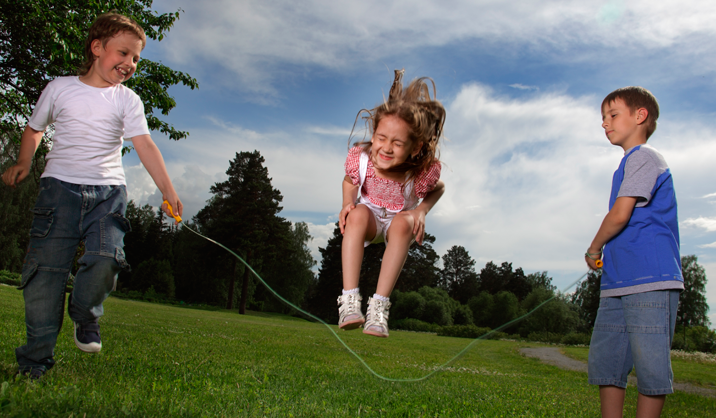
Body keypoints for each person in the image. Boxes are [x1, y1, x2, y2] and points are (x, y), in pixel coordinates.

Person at [1, 13, 183, 379]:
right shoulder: (59, 88)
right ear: (97, 48)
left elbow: (145, 144)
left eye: (136, 58)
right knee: (44, 279)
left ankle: (85, 315)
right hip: (58, 192)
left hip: (108, 194)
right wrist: (24, 160)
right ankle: (35, 363)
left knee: (105, 259)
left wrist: (167, 189)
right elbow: (35, 128)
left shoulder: (128, 101)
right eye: (124, 53)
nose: (130, 64)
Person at [584, 86, 683, 417]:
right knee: (608, 362)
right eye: (603, 118)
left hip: (650, 280)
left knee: (651, 367)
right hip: (618, 281)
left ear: (640, 116)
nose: (605, 124)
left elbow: (620, 214)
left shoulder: (645, 158)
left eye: (612, 115)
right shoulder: (626, 165)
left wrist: (594, 247)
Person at [337, 70, 446, 338]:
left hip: (398, 221)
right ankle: (350, 301)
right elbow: (350, 180)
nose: (386, 148)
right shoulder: (361, 158)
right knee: (358, 214)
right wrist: (347, 203)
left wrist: (421, 210)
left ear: (416, 147)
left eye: (397, 143)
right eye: (382, 138)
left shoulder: (419, 173)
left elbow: (438, 188)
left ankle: (379, 309)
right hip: (371, 221)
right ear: (374, 134)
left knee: (401, 223)